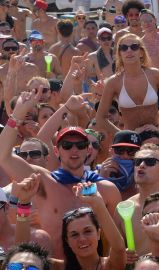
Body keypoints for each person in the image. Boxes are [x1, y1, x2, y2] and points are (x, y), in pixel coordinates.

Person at [0, 92, 121, 259]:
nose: (74, 150)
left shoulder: (107, 190)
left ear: (88, 149)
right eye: (67, 145)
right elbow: (3, 155)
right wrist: (18, 114)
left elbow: (114, 244)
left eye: (80, 145)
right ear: (56, 150)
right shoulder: (45, 182)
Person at [95, 33, 159, 131]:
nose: (129, 50)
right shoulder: (114, 82)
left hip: (156, 134)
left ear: (141, 53)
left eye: (134, 47)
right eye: (124, 48)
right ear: (120, 54)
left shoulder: (155, 75)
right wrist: (123, 135)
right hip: (130, 140)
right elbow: (100, 118)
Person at [50, 182, 126, 269]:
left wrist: (98, 203)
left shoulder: (108, 266)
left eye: (87, 231)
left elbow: (119, 248)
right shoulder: (58, 267)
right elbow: (31, 259)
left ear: (98, 234)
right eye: (74, 234)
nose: (82, 239)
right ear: (67, 241)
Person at [98, 130, 141, 199]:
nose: (125, 156)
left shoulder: (145, 171)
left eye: (132, 151)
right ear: (111, 150)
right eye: (120, 150)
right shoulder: (98, 172)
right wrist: (101, 179)